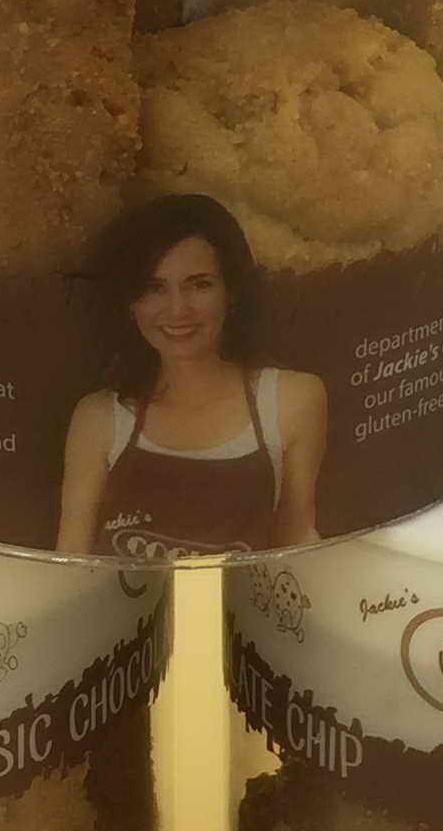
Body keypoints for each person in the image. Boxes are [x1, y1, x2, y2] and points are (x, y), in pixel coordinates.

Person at [55, 194, 326, 559]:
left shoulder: (293, 400)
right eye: (154, 288)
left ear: (231, 292)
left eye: (200, 284)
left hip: (239, 596)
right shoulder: (98, 418)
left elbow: (298, 535)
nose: (178, 309)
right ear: (131, 303)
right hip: (116, 598)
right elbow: (70, 559)